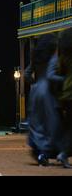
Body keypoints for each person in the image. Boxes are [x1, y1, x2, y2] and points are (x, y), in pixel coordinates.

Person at [25, 34, 63, 167]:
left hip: (35, 92)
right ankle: (48, 152)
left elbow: (26, 74)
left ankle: (39, 151)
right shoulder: (53, 57)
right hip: (48, 91)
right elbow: (52, 76)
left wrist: (35, 83)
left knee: (37, 123)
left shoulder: (36, 58)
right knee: (52, 123)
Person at [57, 28, 72, 168]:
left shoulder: (64, 56)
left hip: (66, 93)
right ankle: (64, 153)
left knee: (68, 127)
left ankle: (63, 153)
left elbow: (60, 71)